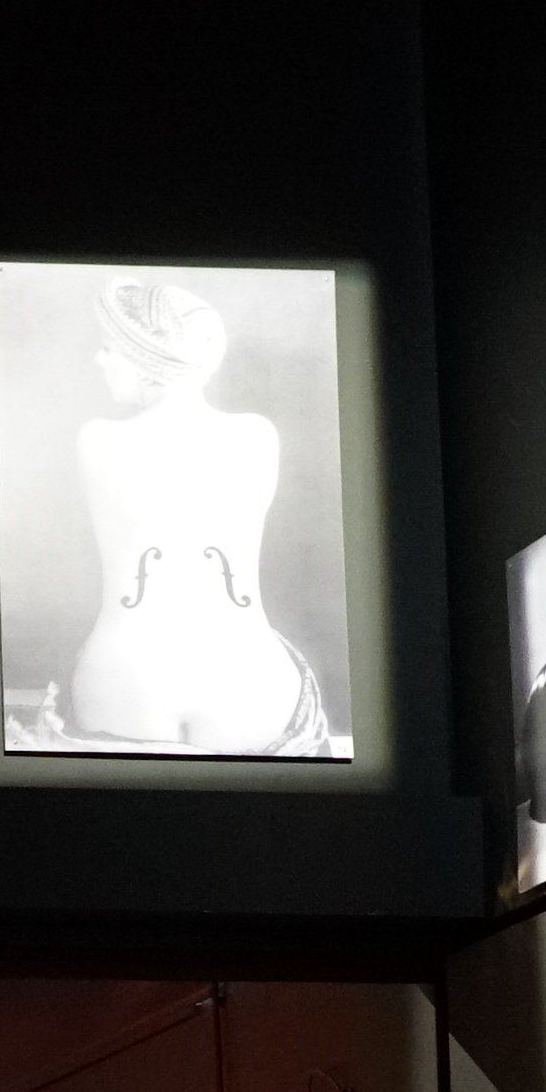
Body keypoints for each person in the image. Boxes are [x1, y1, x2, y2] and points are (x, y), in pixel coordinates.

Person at [47, 278, 334, 757]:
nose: (99, 360)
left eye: (109, 348)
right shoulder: (258, 435)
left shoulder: (94, 439)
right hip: (250, 689)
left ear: (144, 361)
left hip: (122, 690)